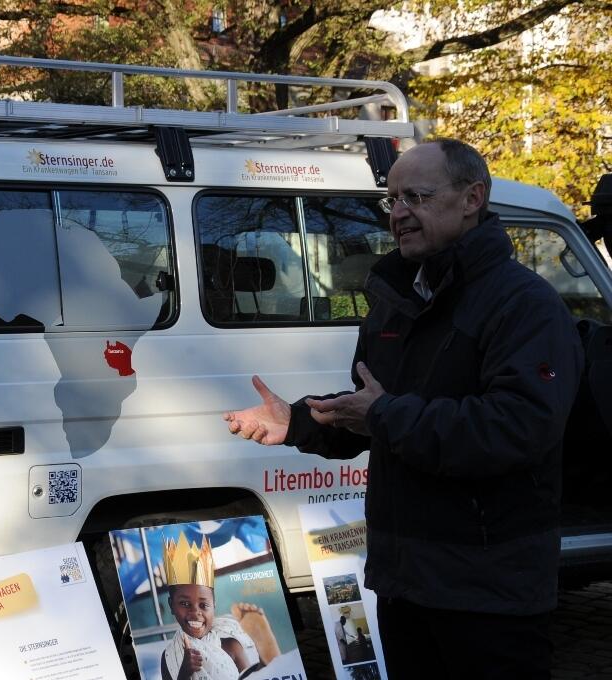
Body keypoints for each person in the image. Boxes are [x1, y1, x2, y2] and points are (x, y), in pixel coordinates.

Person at [225, 139, 583, 679]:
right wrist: (299, 421)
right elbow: (374, 415)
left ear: (472, 197)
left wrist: (382, 415)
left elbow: (517, 428)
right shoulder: (397, 299)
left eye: (415, 196)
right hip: (403, 582)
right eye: (390, 200)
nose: (398, 213)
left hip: (488, 591)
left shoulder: (525, 304)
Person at [159, 532, 282, 680]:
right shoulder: (169, 656)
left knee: (254, 676)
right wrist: (184, 674)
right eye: (185, 603)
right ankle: (267, 665)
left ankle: (265, 661)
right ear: (171, 605)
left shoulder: (230, 645)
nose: (195, 612)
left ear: (214, 606)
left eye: (203, 605)